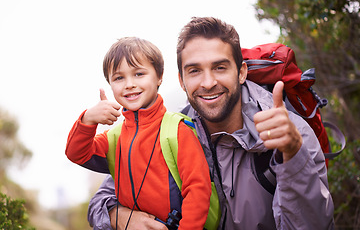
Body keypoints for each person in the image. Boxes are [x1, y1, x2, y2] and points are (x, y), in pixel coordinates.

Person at [88, 17, 334, 230]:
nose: (207, 82)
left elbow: (315, 224)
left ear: (241, 72)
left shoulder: (291, 132)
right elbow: (104, 197)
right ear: (182, 81)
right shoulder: (171, 131)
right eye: (194, 71)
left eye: (220, 67)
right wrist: (117, 216)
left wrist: (292, 155)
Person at [65, 37, 212, 230]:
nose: (129, 84)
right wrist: (88, 120)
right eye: (119, 78)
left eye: (139, 74)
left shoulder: (177, 129)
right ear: (110, 84)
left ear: (159, 76)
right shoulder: (115, 137)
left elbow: (198, 189)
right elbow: (76, 153)